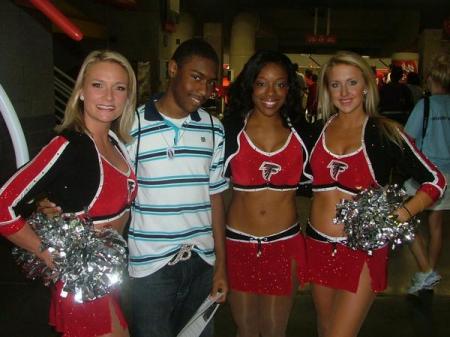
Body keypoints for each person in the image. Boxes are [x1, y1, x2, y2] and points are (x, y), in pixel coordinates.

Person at [306, 51, 446, 337]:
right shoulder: (318, 130)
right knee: (324, 328)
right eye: (335, 85)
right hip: (318, 245)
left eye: (352, 83)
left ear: (367, 85)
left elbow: (435, 180)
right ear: (326, 90)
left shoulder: (384, 133)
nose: (344, 93)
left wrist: (400, 215)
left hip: (361, 251)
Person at [0, 50, 138, 337]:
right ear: (81, 92)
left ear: (128, 97)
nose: (109, 97)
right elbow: (3, 204)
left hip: (108, 279)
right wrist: (47, 253)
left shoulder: (115, 141)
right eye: (98, 85)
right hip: (82, 283)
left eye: (119, 88)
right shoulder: (68, 145)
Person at [126, 38, 228, 337]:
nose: (203, 91)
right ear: (173, 69)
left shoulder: (213, 128)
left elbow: (216, 199)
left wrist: (221, 265)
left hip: (202, 264)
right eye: (195, 77)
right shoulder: (132, 126)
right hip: (151, 267)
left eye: (210, 82)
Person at [223, 50, 311, 337]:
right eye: (261, 83)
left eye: (280, 84)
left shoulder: (304, 134)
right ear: (250, 86)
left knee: (275, 330)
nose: (270, 92)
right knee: (246, 329)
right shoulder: (230, 130)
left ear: (290, 88)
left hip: (284, 244)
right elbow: (212, 191)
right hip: (238, 244)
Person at [404, 54, 450, 294]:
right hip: (449, 175)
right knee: (437, 226)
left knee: (404, 218)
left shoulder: (426, 105)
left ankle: (425, 273)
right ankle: (428, 271)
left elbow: (409, 138)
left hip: (426, 173)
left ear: (432, 79)